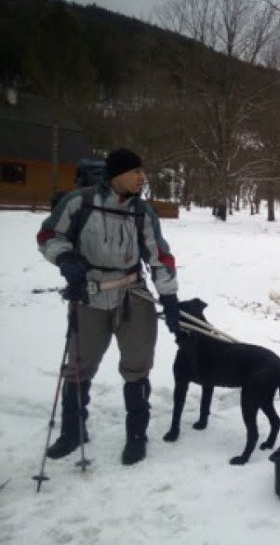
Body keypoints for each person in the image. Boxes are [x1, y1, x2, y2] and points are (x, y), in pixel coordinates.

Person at [37, 148, 181, 466]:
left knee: (137, 365)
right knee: (78, 366)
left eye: (144, 171)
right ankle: (73, 432)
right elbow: (49, 235)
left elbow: (159, 256)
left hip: (133, 297)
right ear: (117, 174)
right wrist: (65, 260)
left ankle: (136, 436)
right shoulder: (79, 202)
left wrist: (169, 298)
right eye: (136, 172)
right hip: (88, 295)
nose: (143, 177)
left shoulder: (143, 213)